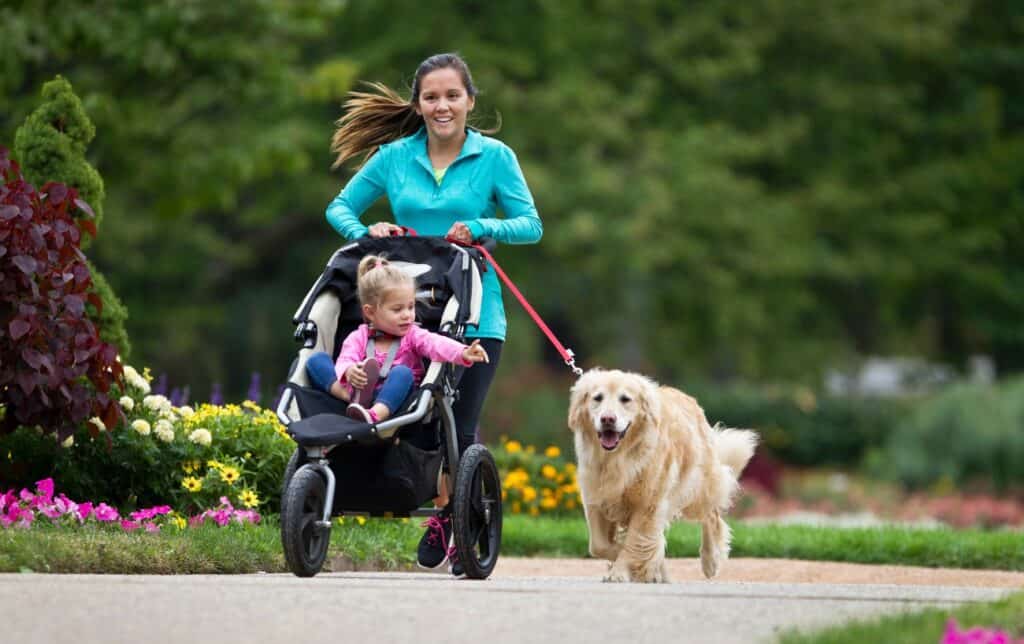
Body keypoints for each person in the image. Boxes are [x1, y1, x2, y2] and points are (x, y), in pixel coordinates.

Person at [324, 52, 543, 574]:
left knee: (459, 427)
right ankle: (438, 503)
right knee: (417, 420)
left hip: (476, 315)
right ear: (418, 104)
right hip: (407, 314)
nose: (442, 106)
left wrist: (483, 226)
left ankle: (452, 517)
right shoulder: (395, 157)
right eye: (431, 97)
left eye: (452, 96)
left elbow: (530, 223)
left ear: (469, 100)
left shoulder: (495, 157)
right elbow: (340, 208)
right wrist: (367, 232)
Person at [304, 254, 490, 426]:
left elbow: (436, 344)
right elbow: (346, 358)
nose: (407, 315)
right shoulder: (358, 337)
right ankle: (348, 397)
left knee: (403, 372)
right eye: (397, 309)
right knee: (315, 360)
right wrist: (349, 371)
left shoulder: (413, 335)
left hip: (396, 396)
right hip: (358, 389)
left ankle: (375, 414)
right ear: (370, 312)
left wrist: (463, 352)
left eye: (410, 307)